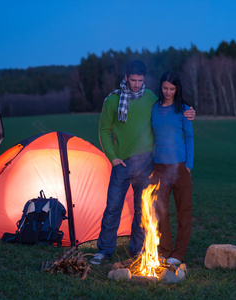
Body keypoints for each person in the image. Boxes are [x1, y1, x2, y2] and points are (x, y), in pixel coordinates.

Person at [90, 61, 195, 265]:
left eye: (140, 80)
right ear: (126, 76)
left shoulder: (151, 99)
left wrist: (191, 112)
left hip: (147, 162)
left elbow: (178, 113)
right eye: (133, 80)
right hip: (123, 163)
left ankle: (137, 248)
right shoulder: (114, 100)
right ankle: (104, 250)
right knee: (113, 207)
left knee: (142, 208)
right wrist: (113, 158)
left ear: (144, 79)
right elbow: (104, 130)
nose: (137, 84)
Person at [152, 71, 194, 266]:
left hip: (180, 167)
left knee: (183, 211)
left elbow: (189, 137)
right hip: (159, 167)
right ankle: (165, 249)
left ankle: (179, 253)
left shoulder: (184, 110)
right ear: (160, 87)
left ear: (177, 89)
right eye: (165, 88)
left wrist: (188, 165)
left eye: (172, 89)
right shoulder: (154, 108)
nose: (168, 92)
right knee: (160, 210)